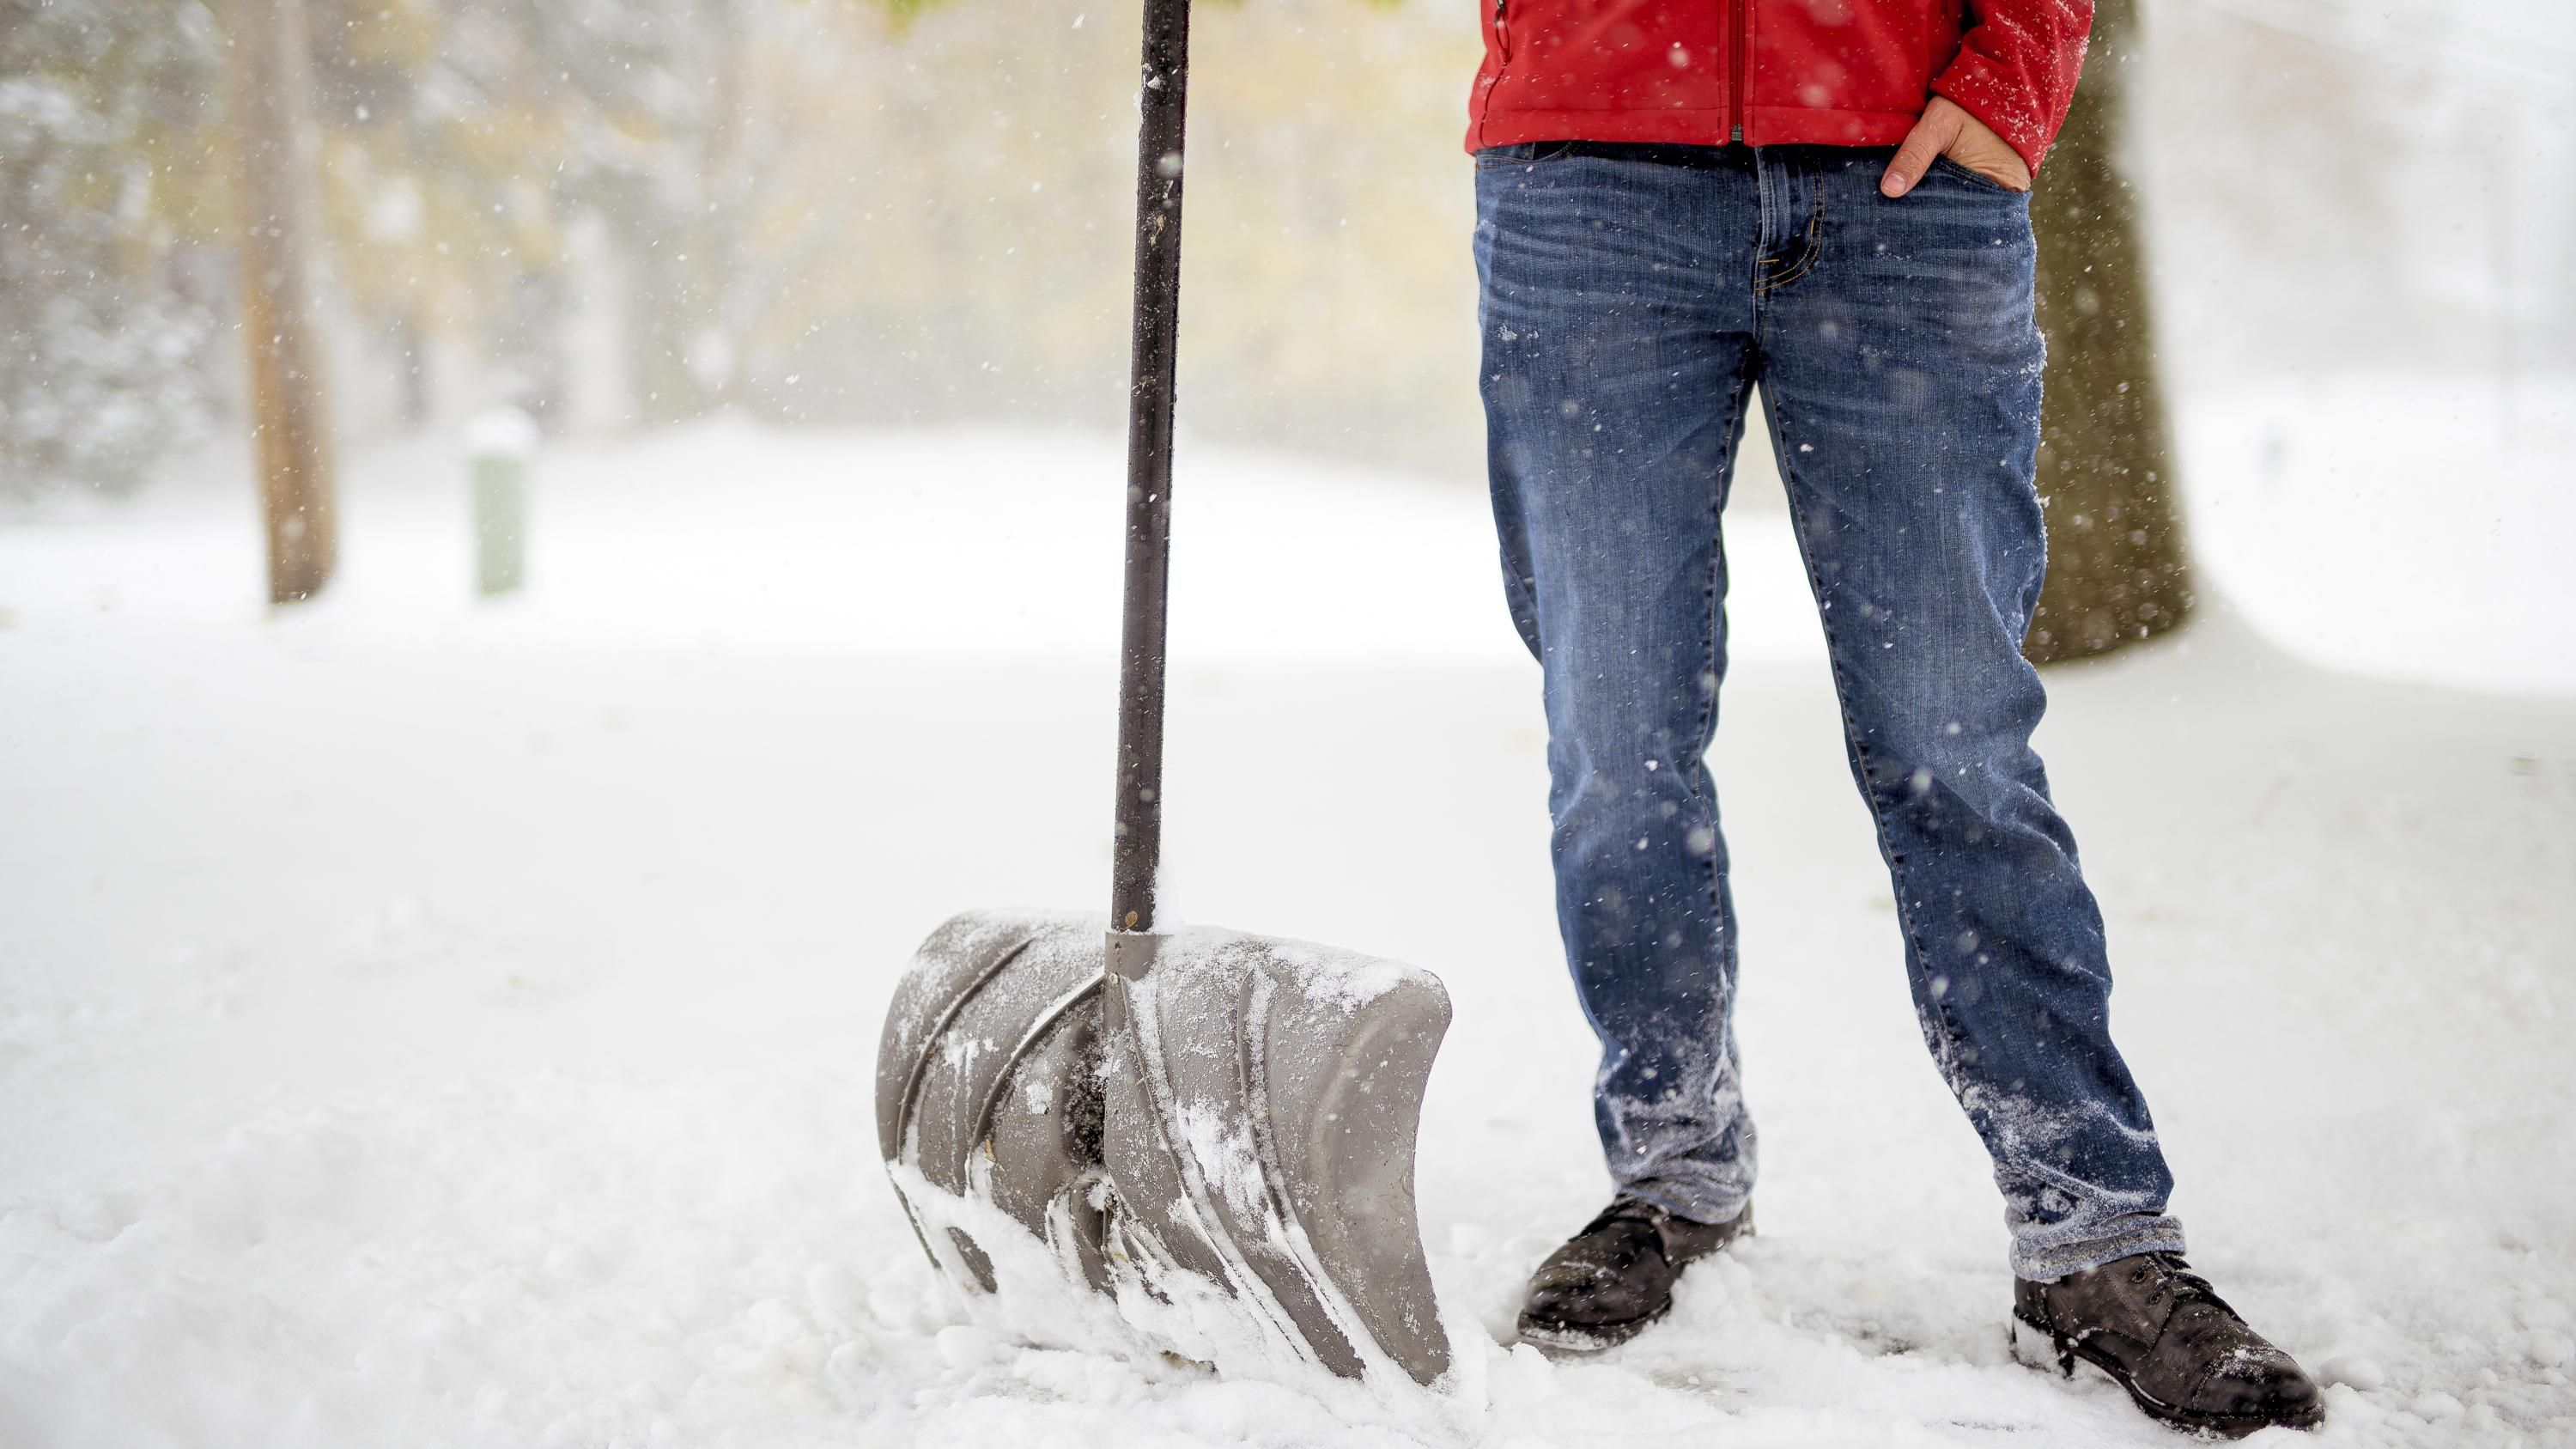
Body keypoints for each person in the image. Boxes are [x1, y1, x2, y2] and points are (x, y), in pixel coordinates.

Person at [1467, 0, 2324, 1436]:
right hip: (1588, 180)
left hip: (1907, 177)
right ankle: (1673, 1175)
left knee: (1955, 750)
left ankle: (2091, 1238)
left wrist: (2014, 76)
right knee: (1617, 746)